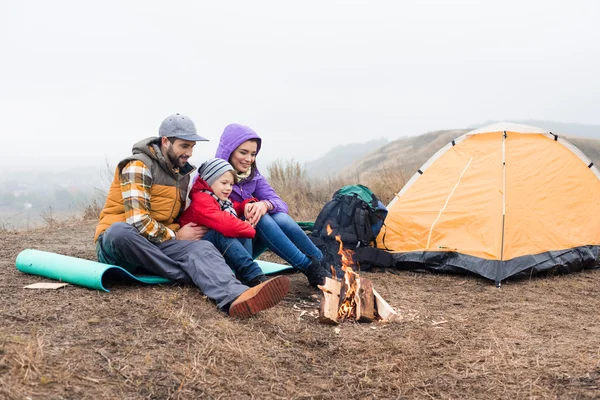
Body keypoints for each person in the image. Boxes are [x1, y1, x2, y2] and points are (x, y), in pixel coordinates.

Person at [94, 113, 289, 318]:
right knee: (119, 231)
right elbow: (138, 221)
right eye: (184, 146)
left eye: (192, 147)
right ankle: (190, 273)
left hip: (157, 245)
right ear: (165, 141)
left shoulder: (181, 175)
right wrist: (175, 236)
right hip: (124, 243)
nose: (189, 152)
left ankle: (236, 297)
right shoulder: (138, 166)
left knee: (202, 247)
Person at [215, 123, 332, 287]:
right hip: (227, 246)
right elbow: (210, 215)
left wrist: (265, 205)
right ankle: (308, 267)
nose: (249, 159)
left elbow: (281, 204)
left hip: (248, 237)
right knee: (261, 219)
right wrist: (246, 211)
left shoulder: (253, 177)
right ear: (228, 150)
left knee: (279, 217)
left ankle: (321, 262)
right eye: (243, 152)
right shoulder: (211, 176)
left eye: (253, 154)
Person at [179, 158, 268, 287]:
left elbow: (232, 207)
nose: (228, 188)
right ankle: (253, 275)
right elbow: (224, 223)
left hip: (212, 250)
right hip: (196, 251)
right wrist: (249, 228)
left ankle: (245, 273)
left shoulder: (219, 199)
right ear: (209, 181)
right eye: (224, 183)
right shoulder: (201, 200)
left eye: (231, 184)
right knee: (223, 233)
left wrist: (246, 206)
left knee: (245, 222)